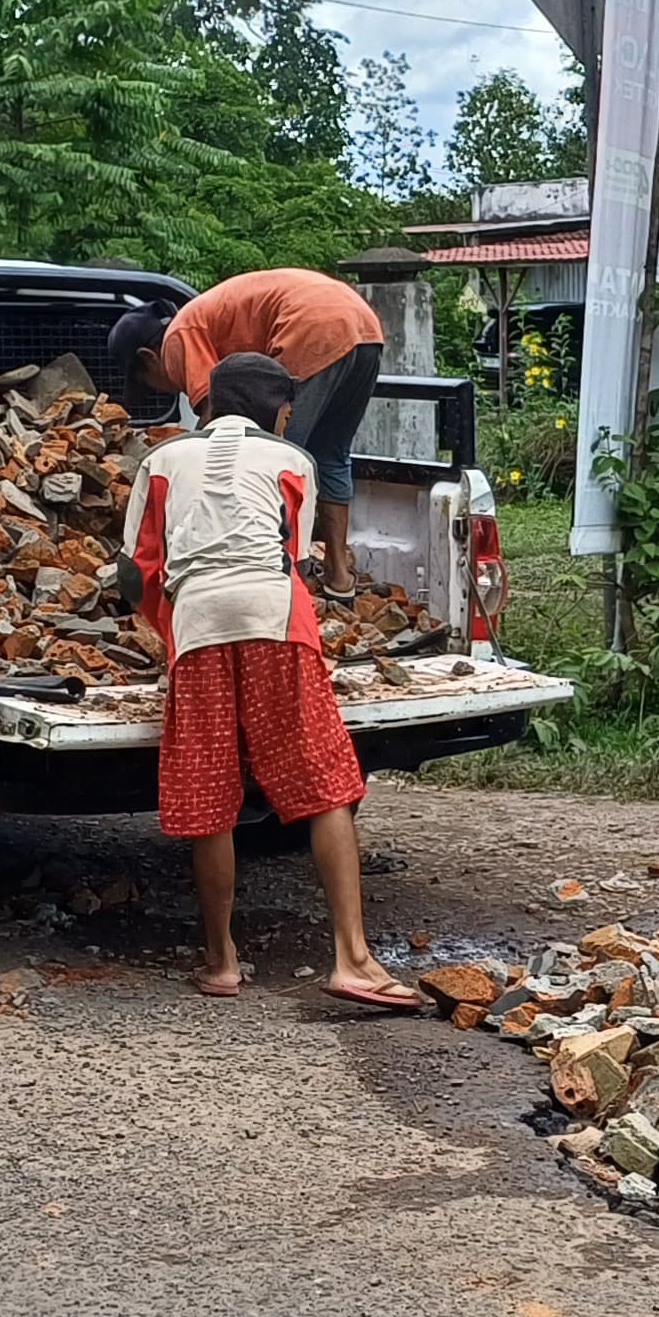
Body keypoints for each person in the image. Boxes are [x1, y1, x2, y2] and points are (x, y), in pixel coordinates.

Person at [121, 349, 417, 1011]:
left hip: (197, 626)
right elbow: (290, 557)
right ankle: (353, 959)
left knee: (210, 796)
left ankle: (222, 962)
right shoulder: (293, 462)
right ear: (280, 414)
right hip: (277, 621)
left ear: (209, 405)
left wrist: (175, 628)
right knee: (326, 785)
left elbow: (136, 571)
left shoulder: (161, 461)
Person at [135, 269, 386, 592]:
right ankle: (339, 577)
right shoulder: (208, 315)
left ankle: (284, 576)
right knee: (330, 454)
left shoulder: (176, 337)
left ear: (147, 358)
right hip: (364, 326)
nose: (167, 390)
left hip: (311, 325)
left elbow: (215, 421)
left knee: (270, 459)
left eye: (149, 385)